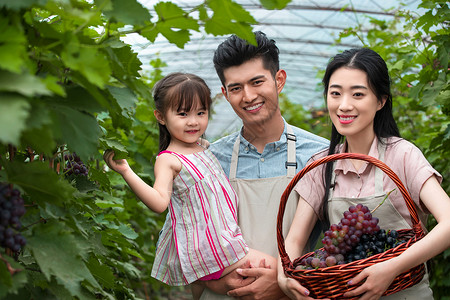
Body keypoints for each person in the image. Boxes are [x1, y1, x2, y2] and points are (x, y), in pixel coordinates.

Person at [277, 48, 450, 299]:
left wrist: (393, 267)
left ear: (381, 101)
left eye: (358, 94)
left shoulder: (402, 155)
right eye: (335, 93)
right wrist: (285, 278)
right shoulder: (322, 165)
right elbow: (292, 242)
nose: (344, 105)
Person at [103, 72, 277, 300]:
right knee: (275, 270)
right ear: (161, 116)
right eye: (183, 113)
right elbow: (158, 202)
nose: (194, 121)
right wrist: (126, 171)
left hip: (221, 242)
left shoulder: (204, 147)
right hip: (211, 248)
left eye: (201, 112)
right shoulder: (169, 159)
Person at [200, 31, 329, 299]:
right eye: (236, 88)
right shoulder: (211, 160)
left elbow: (340, 245)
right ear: (225, 94)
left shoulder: (319, 156)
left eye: (257, 82)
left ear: (278, 80)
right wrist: (224, 285)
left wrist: (282, 283)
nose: (248, 96)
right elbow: (191, 242)